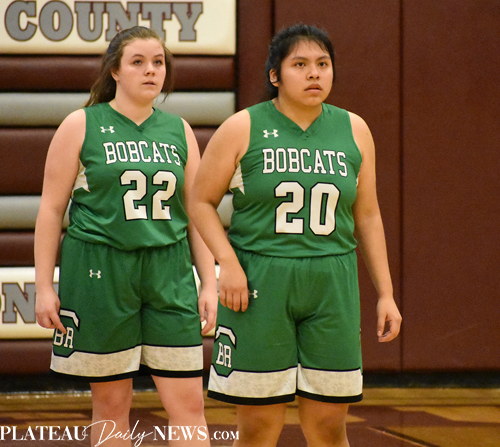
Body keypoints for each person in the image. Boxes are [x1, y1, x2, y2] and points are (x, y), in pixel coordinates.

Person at [189, 24, 402, 446]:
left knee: (328, 426)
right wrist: (227, 264)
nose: (314, 73)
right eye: (300, 65)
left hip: (332, 282)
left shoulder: (355, 129)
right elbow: (199, 201)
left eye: (323, 64)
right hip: (259, 282)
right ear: (275, 75)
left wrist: (386, 293)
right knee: (259, 427)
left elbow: (368, 215)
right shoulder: (243, 126)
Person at [34, 26, 217, 446]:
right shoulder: (81, 124)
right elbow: (50, 211)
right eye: (138, 62)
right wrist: (44, 286)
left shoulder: (180, 130)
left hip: (169, 271)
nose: (151, 70)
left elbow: (196, 214)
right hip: (100, 267)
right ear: (114, 71)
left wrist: (209, 281)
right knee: (112, 404)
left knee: (190, 404)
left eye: (158, 62)